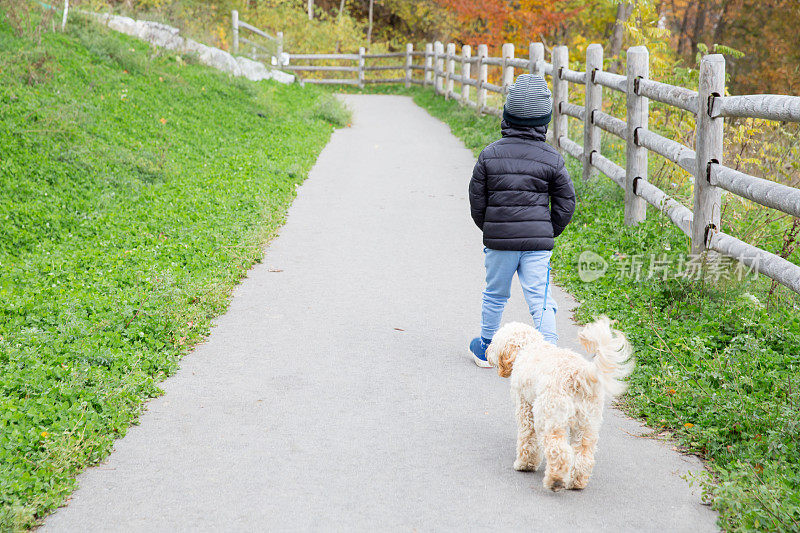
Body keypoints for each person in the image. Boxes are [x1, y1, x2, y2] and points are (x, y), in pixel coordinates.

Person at [468, 73, 576, 368]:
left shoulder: (489, 155)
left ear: (506, 116)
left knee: (495, 294)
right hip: (537, 244)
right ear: (545, 120)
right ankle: (549, 352)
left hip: (499, 242)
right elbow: (567, 201)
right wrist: (548, 229)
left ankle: (487, 349)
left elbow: (477, 200)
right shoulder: (552, 159)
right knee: (540, 298)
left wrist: (492, 227)